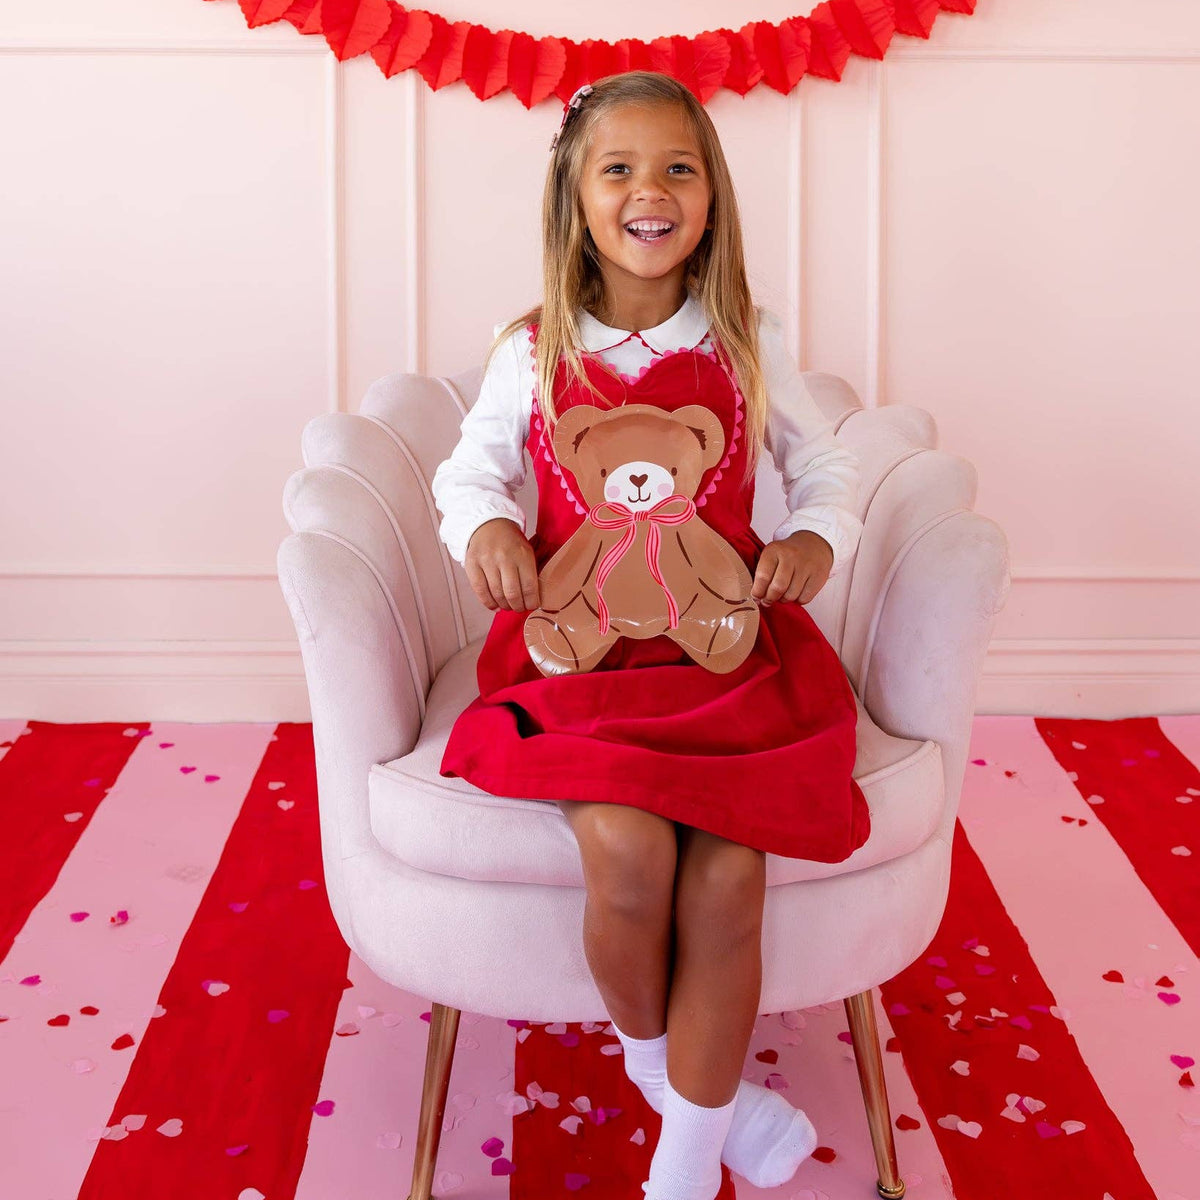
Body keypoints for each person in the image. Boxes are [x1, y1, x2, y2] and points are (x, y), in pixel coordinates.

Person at [431, 70, 868, 1200]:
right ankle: (661, 1077)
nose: (649, 191)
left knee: (728, 886)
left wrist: (817, 532)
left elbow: (827, 466)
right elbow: (471, 468)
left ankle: (677, 1175)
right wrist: (482, 521)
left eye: (678, 167)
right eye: (616, 169)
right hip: (584, 661)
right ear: (575, 200)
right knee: (627, 859)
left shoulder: (745, 339)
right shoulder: (532, 349)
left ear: (712, 197)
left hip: (724, 659)